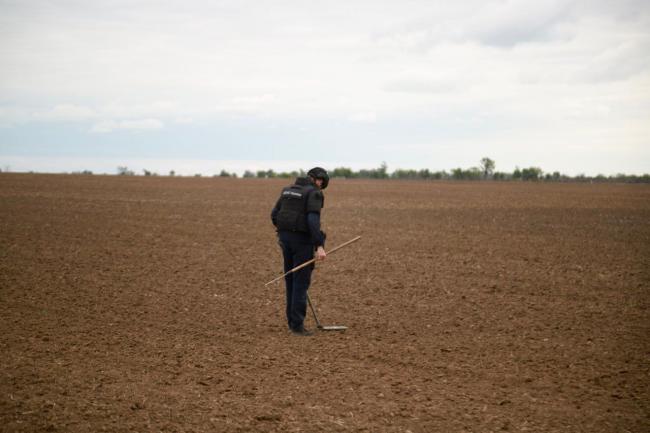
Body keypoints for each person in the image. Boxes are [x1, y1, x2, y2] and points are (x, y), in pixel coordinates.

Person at [271, 167, 329, 336]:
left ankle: (292, 321)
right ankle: (297, 325)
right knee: (301, 282)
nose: (320, 185)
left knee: (291, 279)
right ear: (317, 180)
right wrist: (319, 245)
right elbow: (312, 220)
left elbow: (274, 214)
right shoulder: (314, 194)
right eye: (321, 182)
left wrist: (285, 233)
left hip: (285, 240)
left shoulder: (288, 191)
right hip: (302, 243)